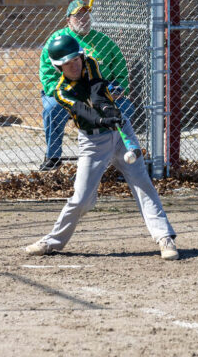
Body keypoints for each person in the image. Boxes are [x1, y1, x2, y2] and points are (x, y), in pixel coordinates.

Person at [25, 34, 179, 261]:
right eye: (67, 63)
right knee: (81, 199)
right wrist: (101, 119)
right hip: (93, 142)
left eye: (76, 59)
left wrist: (108, 110)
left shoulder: (90, 63)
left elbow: (98, 91)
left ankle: (164, 238)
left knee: (142, 184)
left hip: (121, 131)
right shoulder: (61, 91)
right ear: (59, 67)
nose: (74, 65)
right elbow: (83, 112)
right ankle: (52, 241)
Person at [38, 0, 133, 170]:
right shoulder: (58, 39)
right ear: (68, 20)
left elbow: (120, 70)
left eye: (86, 14)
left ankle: (117, 157)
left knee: (126, 107)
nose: (84, 19)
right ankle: (53, 156)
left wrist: (119, 88)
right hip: (69, 91)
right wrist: (62, 91)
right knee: (53, 109)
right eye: (78, 16)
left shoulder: (104, 41)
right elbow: (47, 74)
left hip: (100, 91)